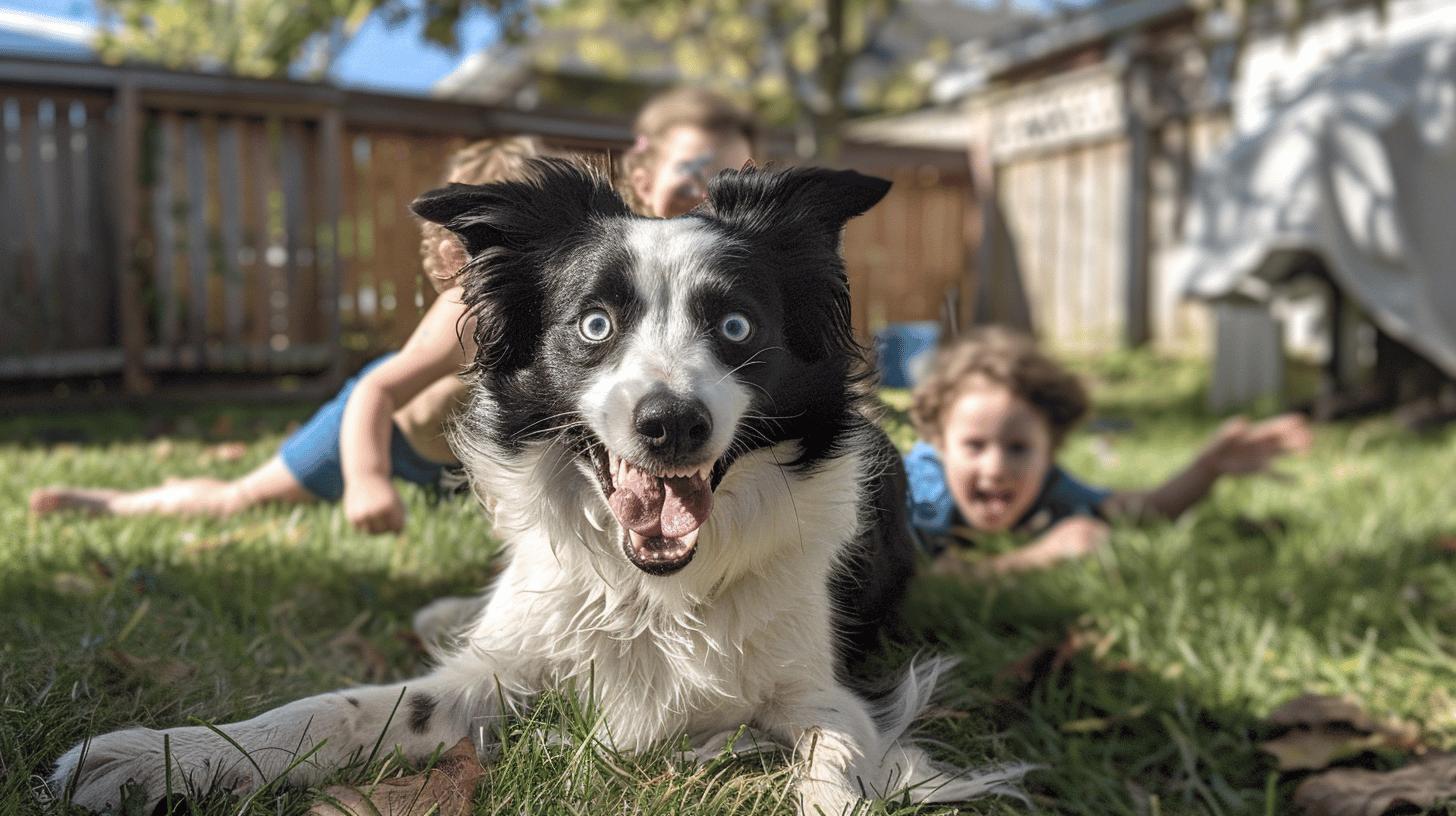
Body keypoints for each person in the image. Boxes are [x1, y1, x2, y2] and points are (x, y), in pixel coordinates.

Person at [28, 137, 544, 533]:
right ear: (460, 252)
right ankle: (113, 503)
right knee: (240, 499)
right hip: (382, 434)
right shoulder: (471, 308)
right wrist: (367, 479)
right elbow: (376, 391)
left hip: (459, 460)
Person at [904, 328, 1313, 577]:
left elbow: (1144, 509)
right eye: (974, 446)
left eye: (1018, 448)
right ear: (939, 442)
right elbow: (923, 584)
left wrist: (1209, 467)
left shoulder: (1049, 489)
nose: (995, 468)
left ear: (1052, 450)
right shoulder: (916, 495)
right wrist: (1039, 557)